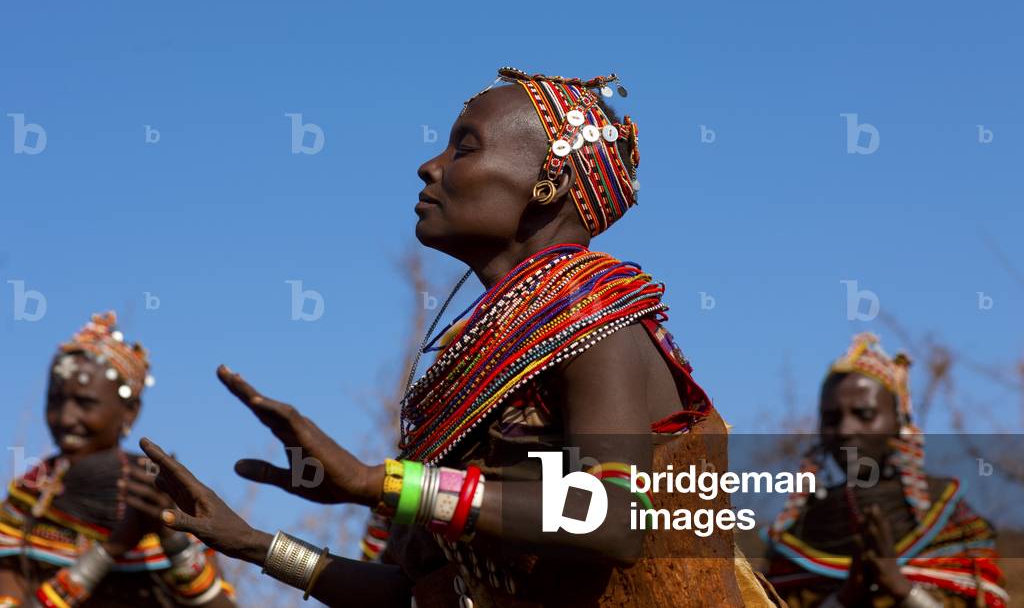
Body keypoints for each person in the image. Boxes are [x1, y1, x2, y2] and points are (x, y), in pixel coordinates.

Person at [138, 67, 780, 606]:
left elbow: (608, 522)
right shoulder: (485, 362)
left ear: (546, 184)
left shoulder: (598, 327)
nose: (429, 166)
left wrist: (380, 483)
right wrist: (255, 545)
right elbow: (420, 595)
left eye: (463, 147)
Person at [0, 312, 236, 608]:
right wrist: (111, 549)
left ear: (130, 412)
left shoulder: (161, 490)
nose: (66, 418)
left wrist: (171, 536)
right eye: (56, 401)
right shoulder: (28, 499)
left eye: (86, 403)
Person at [765, 333, 1008, 607]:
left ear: (898, 421)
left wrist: (900, 586)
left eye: (865, 415)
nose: (845, 430)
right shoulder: (797, 532)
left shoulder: (950, 517)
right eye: (832, 418)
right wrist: (845, 597)